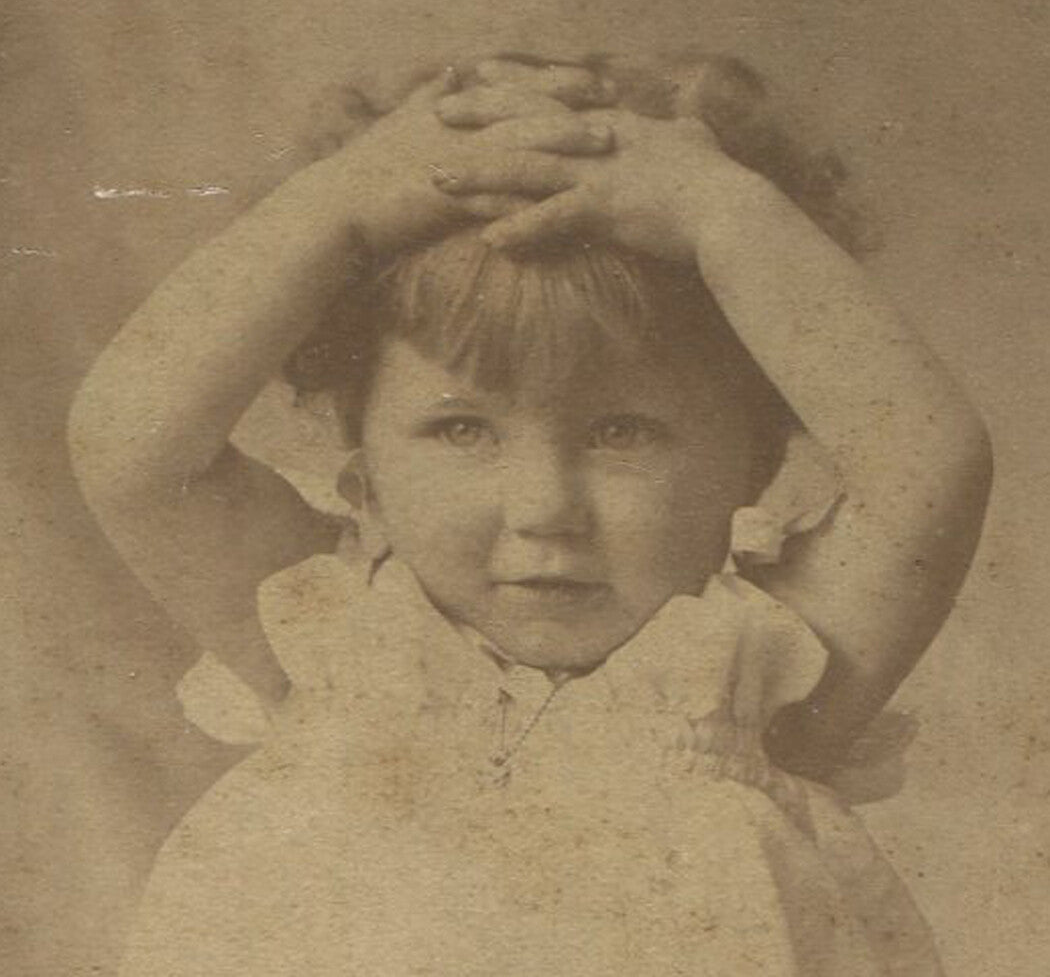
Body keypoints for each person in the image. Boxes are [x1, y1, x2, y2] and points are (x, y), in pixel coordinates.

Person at [69, 52, 991, 975]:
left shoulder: (759, 683)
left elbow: (928, 461)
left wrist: (725, 214)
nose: (544, 508)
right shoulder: (336, 653)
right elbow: (128, 445)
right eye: (462, 427)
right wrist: (339, 210)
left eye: (622, 431)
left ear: (756, 459)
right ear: (364, 470)